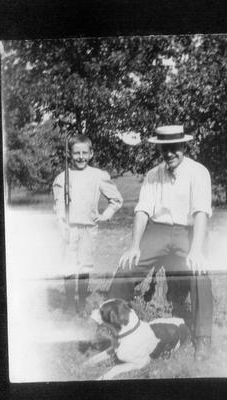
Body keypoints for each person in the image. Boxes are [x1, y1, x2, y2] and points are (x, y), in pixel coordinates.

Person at [107, 125, 214, 361]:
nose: (169, 154)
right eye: (165, 149)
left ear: (183, 147)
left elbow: (201, 213)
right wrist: (134, 246)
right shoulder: (153, 174)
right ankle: (114, 327)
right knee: (127, 266)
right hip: (159, 230)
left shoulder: (199, 172)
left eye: (174, 148)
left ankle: (203, 337)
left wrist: (196, 250)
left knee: (200, 273)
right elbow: (143, 211)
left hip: (189, 231)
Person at [52, 134, 123, 313]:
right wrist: (62, 225)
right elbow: (59, 205)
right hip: (69, 228)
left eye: (85, 153)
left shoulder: (98, 175)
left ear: (91, 154)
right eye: (76, 153)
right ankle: (69, 305)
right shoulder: (62, 177)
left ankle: (82, 304)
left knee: (84, 266)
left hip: (88, 229)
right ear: (70, 154)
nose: (81, 157)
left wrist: (105, 215)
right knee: (68, 267)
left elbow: (116, 199)